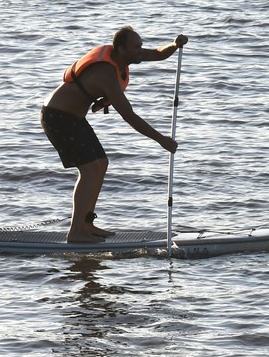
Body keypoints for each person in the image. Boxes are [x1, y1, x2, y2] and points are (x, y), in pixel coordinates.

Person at [41, 27, 186, 243]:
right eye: (136, 47)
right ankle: (75, 231)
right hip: (57, 117)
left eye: (140, 46)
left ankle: (86, 224)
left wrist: (174, 45)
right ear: (120, 49)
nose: (140, 51)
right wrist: (161, 140)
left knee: (101, 163)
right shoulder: (107, 74)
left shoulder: (124, 57)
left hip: (74, 118)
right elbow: (128, 115)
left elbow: (158, 53)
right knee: (90, 169)